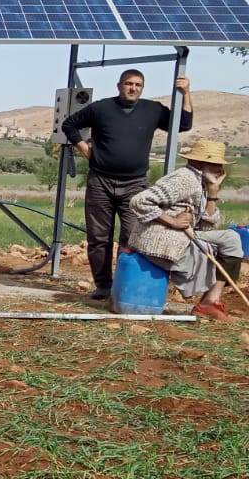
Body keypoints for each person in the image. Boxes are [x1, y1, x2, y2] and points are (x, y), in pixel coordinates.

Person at [62, 69, 194, 300]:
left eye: (138, 85)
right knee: (98, 238)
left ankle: (123, 287)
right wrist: (84, 148)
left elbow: (183, 125)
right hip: (100, 182)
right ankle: (103, 286)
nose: (133, 88)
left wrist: (186, 92)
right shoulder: (101, 108)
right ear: (119, 85)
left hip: (135, 186)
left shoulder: (152, 110)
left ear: (142, 88)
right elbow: (69, 124)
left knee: (132, 237)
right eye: (129, 84)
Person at [127, 139, 241, 321]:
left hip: (183, 236)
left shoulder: (202, 182)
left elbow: (207, 227)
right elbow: (139, 201)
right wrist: (172, 221)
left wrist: (213, 192)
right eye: (216, 164)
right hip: (162, 239)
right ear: (201, 162)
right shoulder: (184, 179)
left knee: (231, 240)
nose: (220, 169)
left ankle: (210, 302)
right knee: (229, 241)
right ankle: (208, 303)